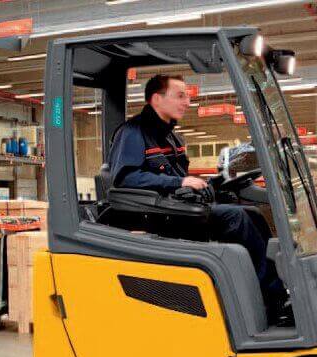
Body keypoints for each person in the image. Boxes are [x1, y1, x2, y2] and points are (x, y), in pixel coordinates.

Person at [108, 74, 289, 320]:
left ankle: (276, 291)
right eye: (180, 96)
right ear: (156, 99)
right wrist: (179, 181)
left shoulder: (170, 136)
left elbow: (179, 178)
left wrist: (211, 183)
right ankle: (268, 299)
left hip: (178, 206)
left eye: (188, 97)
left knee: (254, 214)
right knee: (236, 218)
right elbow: (125, 178)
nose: (187, 102)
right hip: (160, 215)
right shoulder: (133, 132)